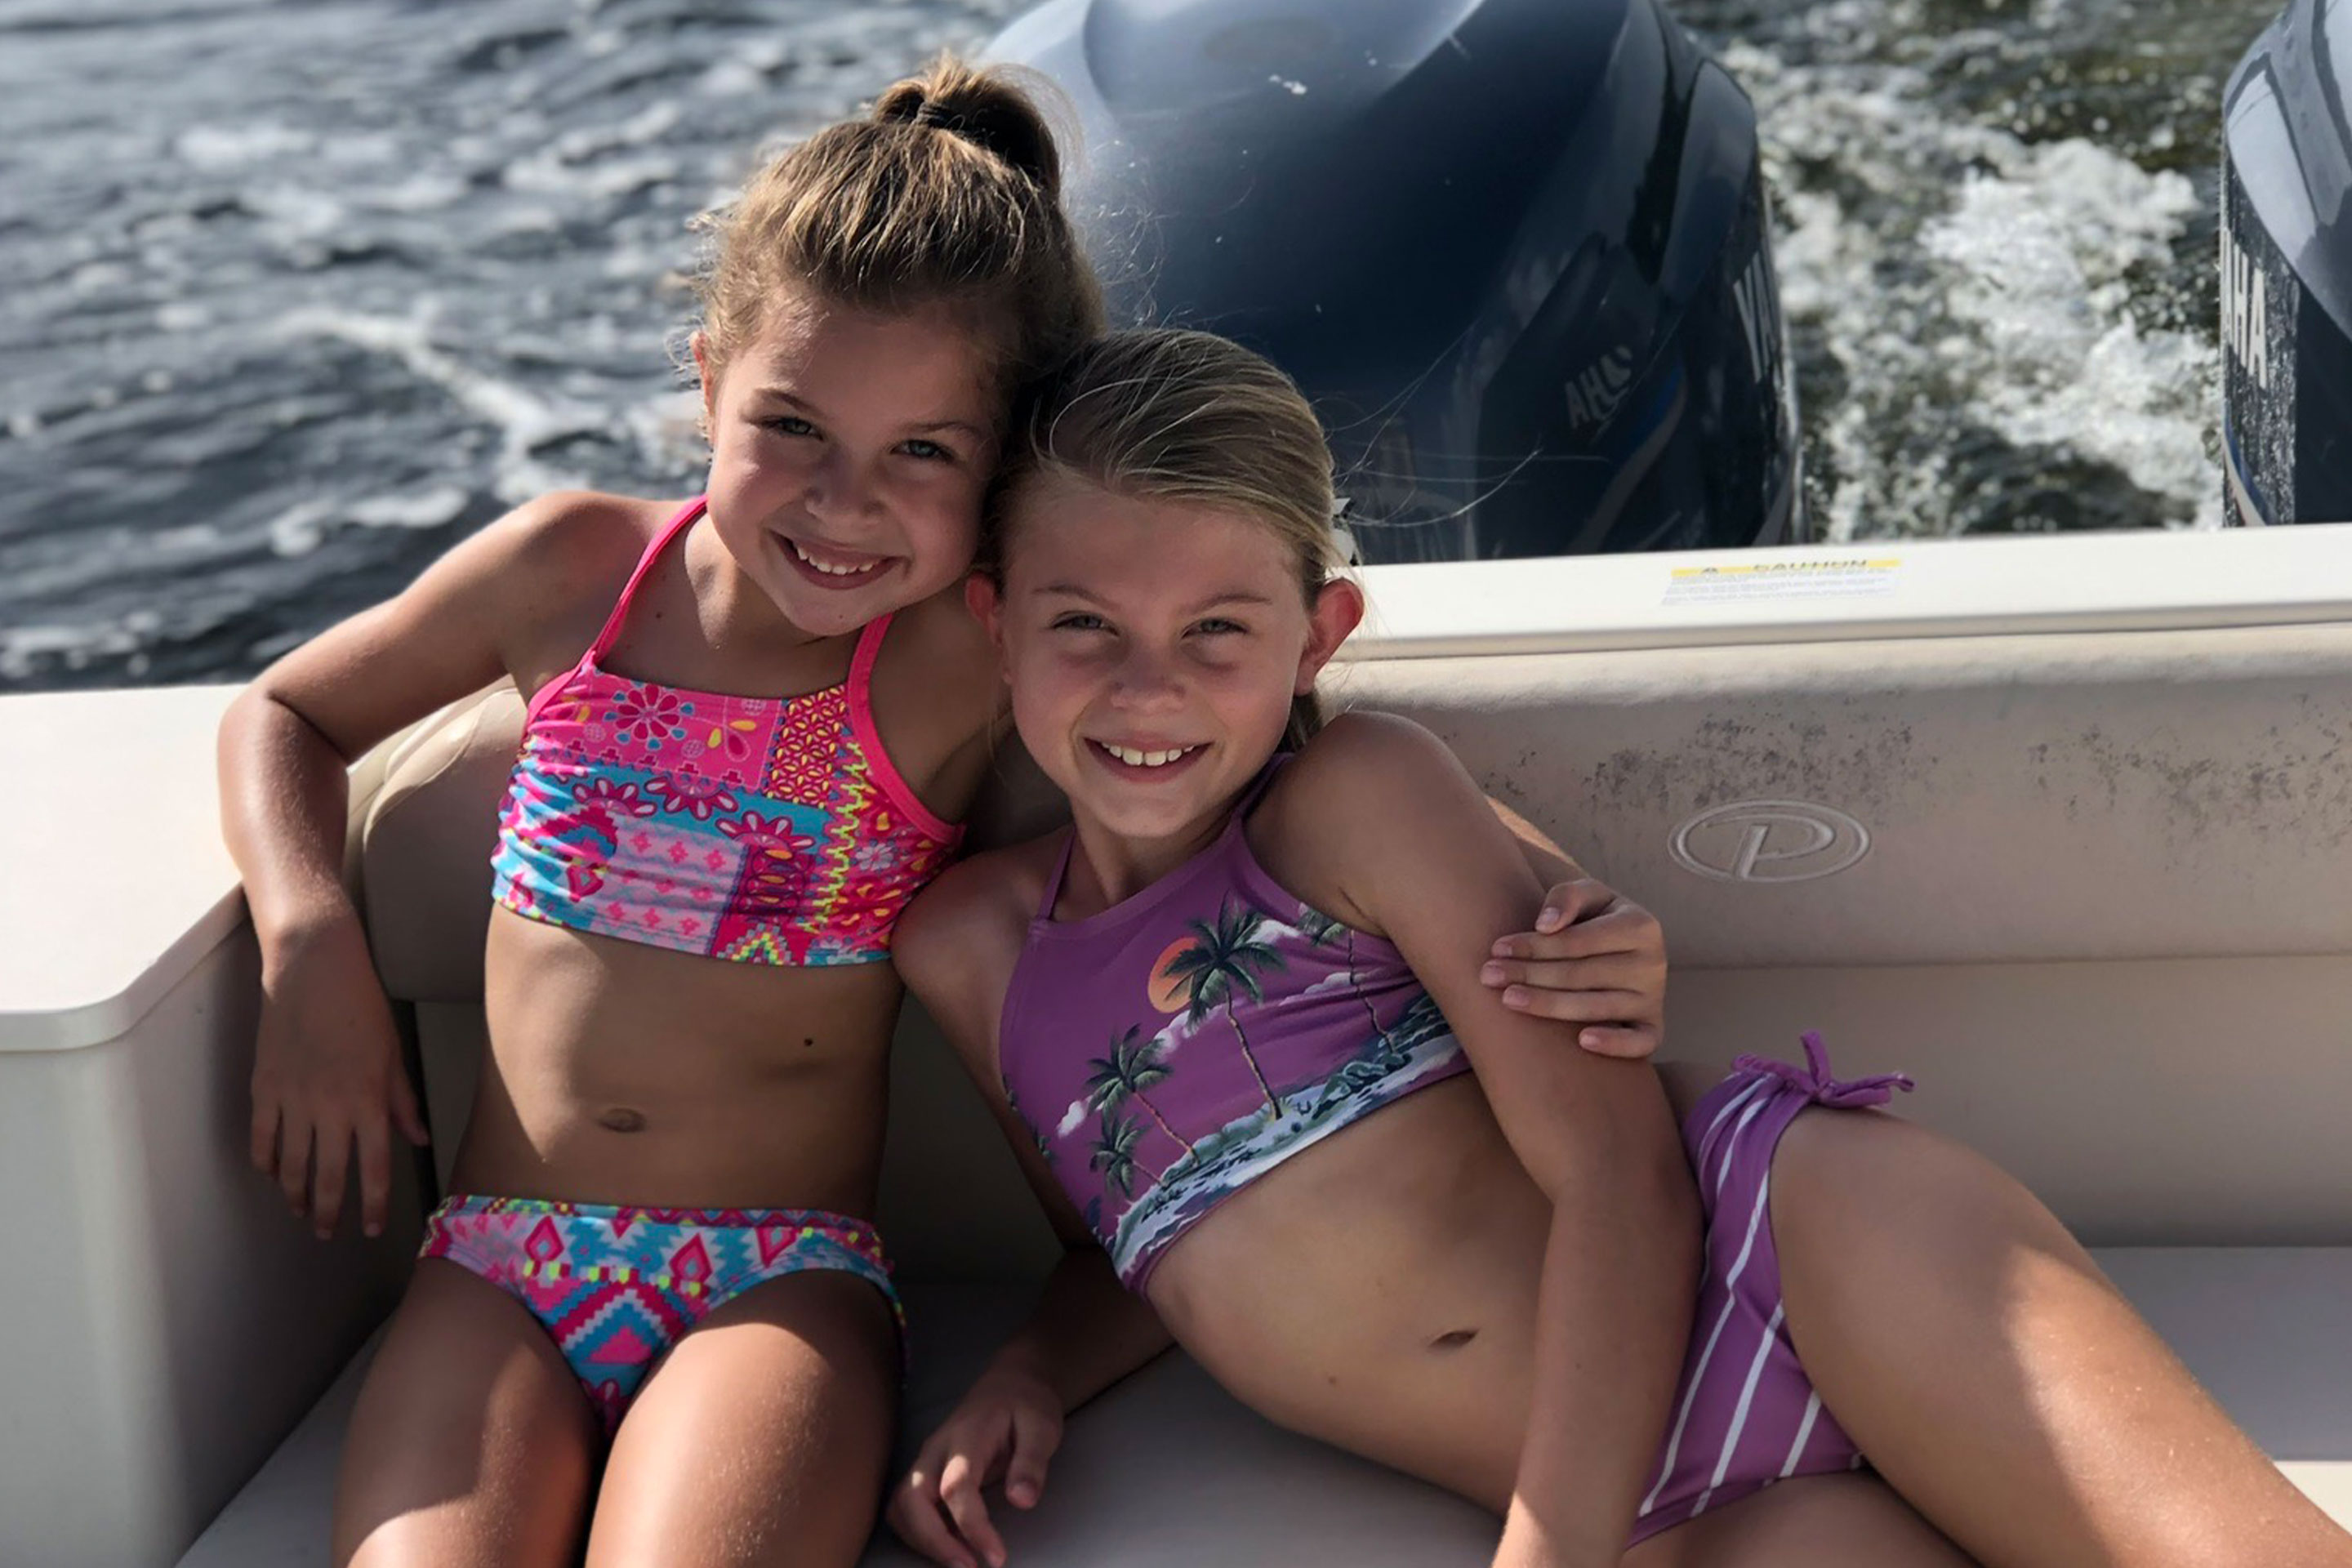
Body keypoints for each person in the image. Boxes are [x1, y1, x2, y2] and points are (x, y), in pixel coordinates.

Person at [217, 61, 1658, 1568]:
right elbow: (288, 714)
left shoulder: (966, 646)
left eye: (922, 453)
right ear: (707, 382)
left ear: (996, 489)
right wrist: (309, 941)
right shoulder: (567, 575)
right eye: (791, 426)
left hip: (776, 1287)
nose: (844, 507)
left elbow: (1267, 742)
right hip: (490, 1267)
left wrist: (1566, 901)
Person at [884, 327, 2352, 1568]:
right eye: (1086, 624)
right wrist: (1028, 1373)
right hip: (1675, 1510)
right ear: (996, 621)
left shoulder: (1358, 801)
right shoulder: (967, 950)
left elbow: (1621, 1177)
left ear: (1319, 633)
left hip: (1803, 1263)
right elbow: (1122, 1250)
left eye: (1217, 629)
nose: (1151, 691)